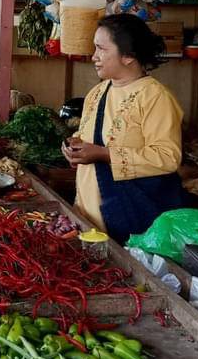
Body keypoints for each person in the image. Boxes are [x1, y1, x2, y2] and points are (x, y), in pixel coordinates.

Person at [62, 14, 184, 243]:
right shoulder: (98, 92)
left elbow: (168, 157)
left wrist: (102, 154)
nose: (94, 57)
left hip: (132, 221)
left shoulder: (155, 97)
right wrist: (74, 148)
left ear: (128, 55)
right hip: (89, 215)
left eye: (101, 49)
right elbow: (87, 135)